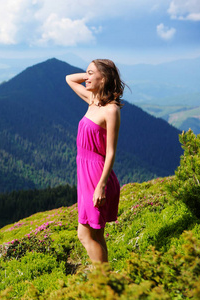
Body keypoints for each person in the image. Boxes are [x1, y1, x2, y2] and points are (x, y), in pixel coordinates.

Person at [65, 59, 126, 263]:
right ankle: (105, 281)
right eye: (87, 73)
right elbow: (69, 79)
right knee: (97, 234)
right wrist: (91, 75)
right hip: (85, 173)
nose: (86, 77)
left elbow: (110, 153)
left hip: (96, 176)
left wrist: (100, 186)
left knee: (84, 235)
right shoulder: (92, 100)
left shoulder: (111, 110)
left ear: (104, 78)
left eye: (91, 74)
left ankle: (101, 280)